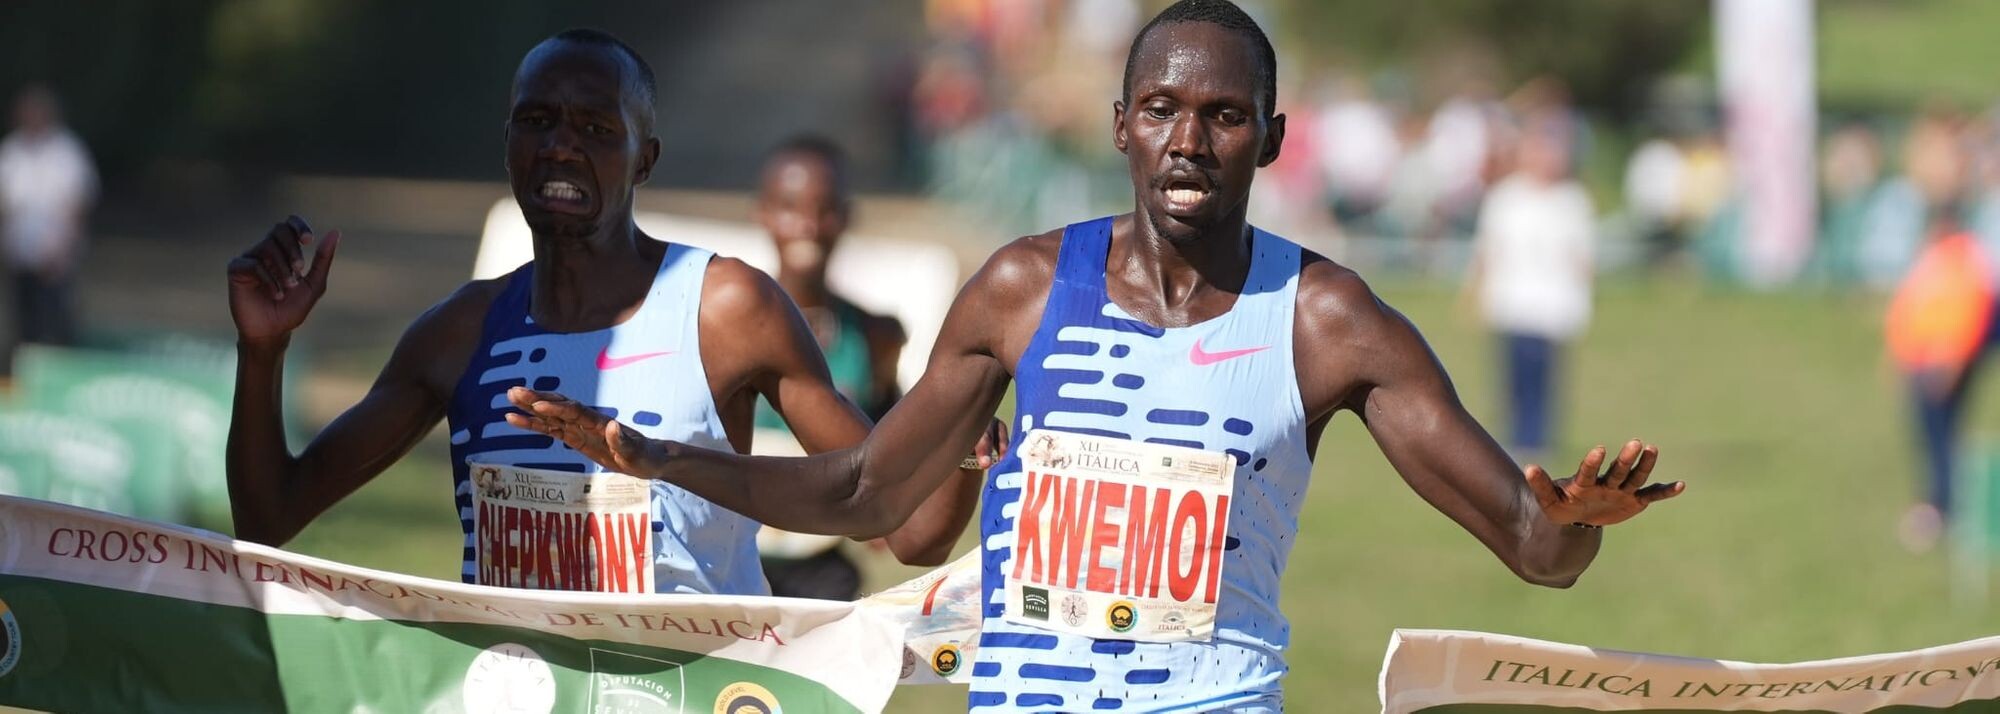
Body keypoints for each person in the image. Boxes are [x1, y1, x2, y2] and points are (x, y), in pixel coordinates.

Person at [507, 2, 1683, 710]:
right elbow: (863, 493)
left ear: (1271, 138)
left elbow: (1535, 551)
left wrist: (1573, 518)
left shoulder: (1325, 321)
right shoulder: (1021, 290)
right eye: (1161, 108)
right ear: (1120, 125)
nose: (1188, 140)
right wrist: (657, 457)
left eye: (1224, 115)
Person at [223, 29, 990, 595]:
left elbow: (908, 527)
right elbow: (268, 518)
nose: (561, 147)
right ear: (508, 142)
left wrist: (959, 447)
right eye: (538, 121)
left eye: (595, 129)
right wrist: (262, 353)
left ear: (643, 158)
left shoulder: (725, 310)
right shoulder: (459, 333)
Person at [749, 136, 914, 600]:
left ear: (845, 216)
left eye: (823, 209)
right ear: (762, 213)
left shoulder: (875, 334)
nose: (808, 225)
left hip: (819, 562)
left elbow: (888, 431)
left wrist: (887, 507)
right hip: (730, 557)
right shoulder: (722, 325)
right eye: (789, 207)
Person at [1464, 112, 1596, 464]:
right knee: (1513, 375)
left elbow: (1581, 256)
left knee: (1544, 376)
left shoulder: (1572, 201)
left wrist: (1582, 298)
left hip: (1552, 304)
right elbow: (1488, 250)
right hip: (1513, 301)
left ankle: (1538, 441)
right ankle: (1513, 438)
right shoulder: (1506, 198)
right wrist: (1475, 293)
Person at [1886, 207, 1995, 552]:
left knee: (1945, 435)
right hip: (1921, 360)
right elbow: (1908, 308)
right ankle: (1937, 503)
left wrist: (1953, 358)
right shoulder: (1931, 260)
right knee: (1928, 436)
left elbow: (1967, 312)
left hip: (1944, 361)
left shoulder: (1965, 261)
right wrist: (1898, 354)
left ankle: (1949, 506)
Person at [0, 85, 96, 374]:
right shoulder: (11, 151)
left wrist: (61, 249)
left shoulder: (67, 152)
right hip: (19, 256)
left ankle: (58, 379)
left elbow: (78, 203)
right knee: (22, 324)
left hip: (56, 257)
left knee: (55, 323)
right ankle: (21, 378)